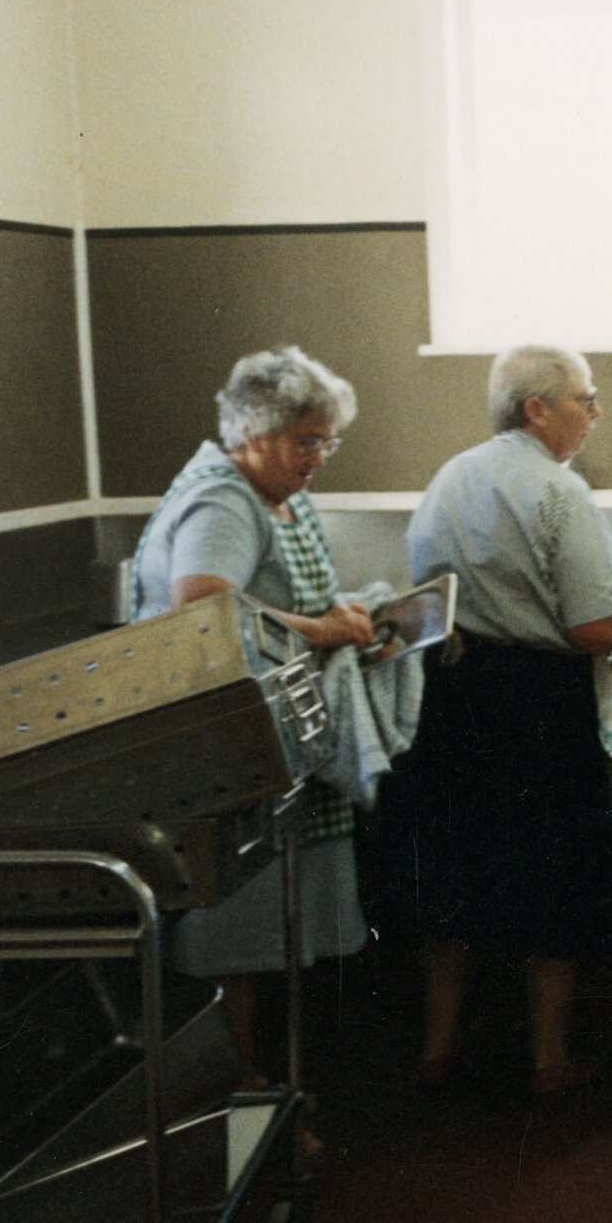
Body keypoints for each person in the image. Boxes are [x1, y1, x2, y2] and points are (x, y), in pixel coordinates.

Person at [131, 345, 378, 1096]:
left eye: (325, 441)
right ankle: (235, 1098)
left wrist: (340, 621)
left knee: (267, 936)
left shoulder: (270, 489)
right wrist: (322, 632)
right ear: (251, 433)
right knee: (234, 943)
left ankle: (263, 1099)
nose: (318, 458)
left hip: (265, 746)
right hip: (221, 753)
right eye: (305, 442)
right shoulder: (223, 499)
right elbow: (203, 611)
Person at [397, 343, 612, 1096]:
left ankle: (437, 1050)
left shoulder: (448, 478)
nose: (594, 414)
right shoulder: (556, 490)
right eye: (584, 399)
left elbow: (423, 596)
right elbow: (594, 629)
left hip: (453, 695)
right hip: (538, 704)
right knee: (552, 884)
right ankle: (547, 1060)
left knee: (452, 882)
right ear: (537, 408)